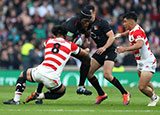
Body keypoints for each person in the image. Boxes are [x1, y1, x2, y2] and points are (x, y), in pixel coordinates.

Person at [3, 25, 90, 105]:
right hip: (52, 78)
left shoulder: (48, 41)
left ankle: (16, 100)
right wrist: (86, 48)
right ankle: (40, 96)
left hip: (39, 72)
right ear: (65, 35)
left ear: (54, 34)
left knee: (22, 75)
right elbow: (84, 54)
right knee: (62, 91)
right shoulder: (71, 45)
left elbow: (51, 45)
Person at [31, 8, 93, 100]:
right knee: (49, 67)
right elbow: (66, 43)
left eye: (88, 22)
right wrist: (78, 43)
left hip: (70, 43)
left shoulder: (87, 24)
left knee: (87, 59)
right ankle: (38, 93)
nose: (87, 24)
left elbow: (88, 32)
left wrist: (87, 40)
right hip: (60, 43)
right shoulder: (72, 25)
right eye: (85, 21)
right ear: (80, 19)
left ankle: (81, 87)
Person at [84, 5, 130, 105]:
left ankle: (125, 93)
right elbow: (87, 37)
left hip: (109, 50)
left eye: (90, 14)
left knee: (107, 75)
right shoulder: (87, 24)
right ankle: (101, 94)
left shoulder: (102, 22)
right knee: (88, 73)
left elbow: (112, 36)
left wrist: (104, 47)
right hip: (100, 51)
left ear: (94, 13)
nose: (89, 16)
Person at [115, 12, 159, 106]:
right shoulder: (132, 29)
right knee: (146, 83)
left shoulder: (138, 31)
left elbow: (139, 45)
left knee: (142, 87)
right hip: (140, 62)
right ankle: (153, 95)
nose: (123, 24)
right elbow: (129, 33)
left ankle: (154, 97)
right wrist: (120, 35)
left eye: (125, 22)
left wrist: (124, 49)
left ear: (131, 22)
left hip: (148, 61)